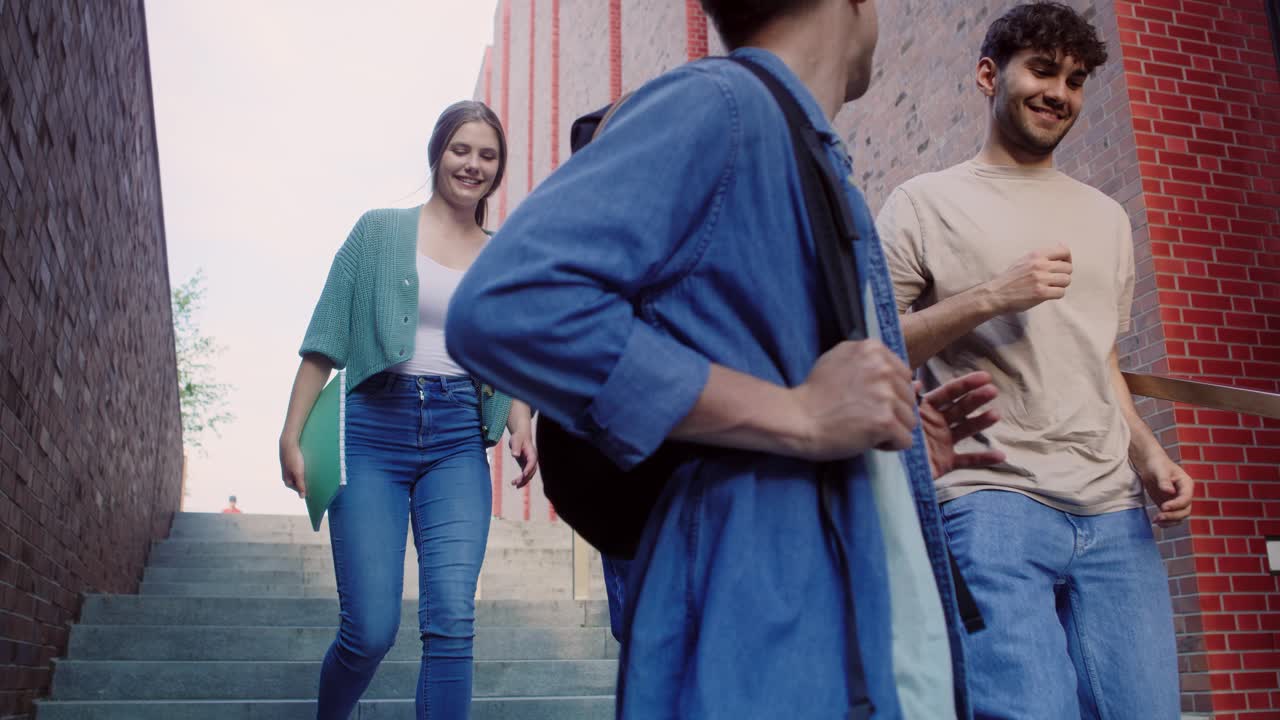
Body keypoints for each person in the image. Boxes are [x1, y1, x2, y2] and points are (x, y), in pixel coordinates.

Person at [445, 2, 1006, 717]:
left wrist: (888, 457)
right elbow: (505, 305)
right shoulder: (724, 106)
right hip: (763, 639)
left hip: (847, 641)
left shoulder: (802, 152)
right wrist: (797, 414)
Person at [875, 3, 1192, 717]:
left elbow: (1098, 354)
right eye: (1043, 70)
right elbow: (874, 347)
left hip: (1115, 514)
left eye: (1076, 80)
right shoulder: (923, 204)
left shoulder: (1106, 217)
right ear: (990, 74)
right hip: (992, 506)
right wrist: (991, 295)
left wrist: (1147, 455)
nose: (1060, 93)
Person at [277, 100, 538, 720]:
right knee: (369, 629)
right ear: (437, 152)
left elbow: (518, 351)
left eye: (487, 155)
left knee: (451, 622)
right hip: (372, 430)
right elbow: (325, 339)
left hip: (456, 438)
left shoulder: (506, 254)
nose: (472, 164)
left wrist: (522, 418)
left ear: (499, 169)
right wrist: (291, 434)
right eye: (461, 149)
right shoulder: (378, 233)